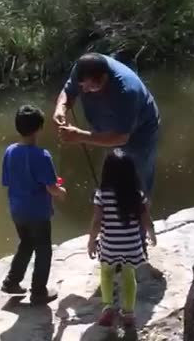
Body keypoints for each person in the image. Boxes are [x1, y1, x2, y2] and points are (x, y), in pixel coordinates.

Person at [53, 52, 162, 277]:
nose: (83, 91)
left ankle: (137, 247)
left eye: (89, 88)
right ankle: (117, 238)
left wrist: (80, 136)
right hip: (108, 129)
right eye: (82, 86)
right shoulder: (83, 68)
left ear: (103, 79)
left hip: (139, 134)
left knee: (137, 186)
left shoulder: (126, 91)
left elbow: (121, 138)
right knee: (112, 184)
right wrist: (61, 108)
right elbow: (68, 92)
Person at [0, 104, 67, 305]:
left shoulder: (10, 151)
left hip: (17, 210)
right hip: (37, 213)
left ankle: (11, 282)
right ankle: (38, 292)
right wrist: (61, 192)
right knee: (44, 249)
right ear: (39, 128)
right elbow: (52, 188)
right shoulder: (42, 155)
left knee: (26, 244)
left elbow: (8, 180)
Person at [87, 148, 157, 327]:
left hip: (110, 244)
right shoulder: (136, 196)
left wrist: (91, 241)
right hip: (132, 245)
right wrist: (152, 234)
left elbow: (96, 222)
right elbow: (146, 219)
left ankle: (108, 307)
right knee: (128, 276)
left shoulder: (101, 195)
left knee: (106, 273)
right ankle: (128, 313)